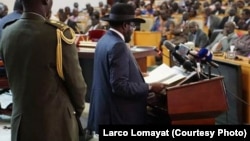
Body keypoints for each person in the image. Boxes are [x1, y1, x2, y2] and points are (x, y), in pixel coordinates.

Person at [0, 0, 87, 141]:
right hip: (56, 123)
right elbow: (77, 85)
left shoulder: (8, 32)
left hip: (21, 123)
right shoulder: (58, 34)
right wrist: (77, 110)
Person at [87, 3, 166, 135]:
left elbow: (109, 74)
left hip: (105, 112)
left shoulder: (104, 40)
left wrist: (137, 75)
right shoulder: (119, 46)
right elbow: (119, 86)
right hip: (119, 116)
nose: (133, 29)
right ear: (125, 25)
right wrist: (150, 87)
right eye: (133, 25)